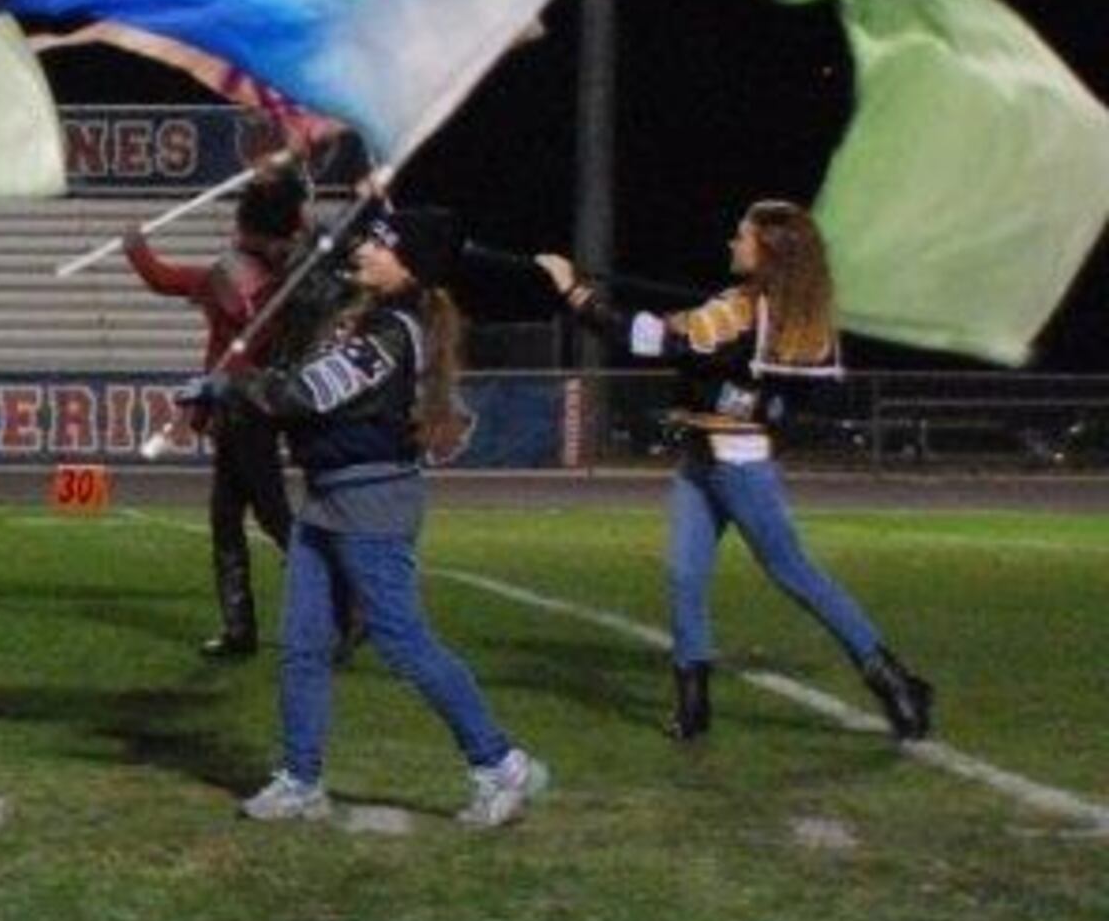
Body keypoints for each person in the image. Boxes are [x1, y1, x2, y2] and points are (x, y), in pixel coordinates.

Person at [200, 201, 548, 827]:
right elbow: (305, 331)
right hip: (328, 496)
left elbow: (309, 394)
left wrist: (235, 386)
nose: (363, 252)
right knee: (304, 646)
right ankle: (301, 780)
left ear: (408, 265)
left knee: (404, 643)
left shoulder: (393, 332)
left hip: (372, 501)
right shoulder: (365, 317)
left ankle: (502, 764)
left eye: (378, 247)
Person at [538, 201, 933, 743]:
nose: (732, 242)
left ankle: (895, 681)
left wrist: (573, 293)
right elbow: (694, 346)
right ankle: (693, 705)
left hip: (739, 465)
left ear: (767, 250)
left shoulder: (749, 312)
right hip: (699, 460)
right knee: (684, 577)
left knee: (795, 574)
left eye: (742, 236)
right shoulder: (760, 309)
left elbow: (653, 340)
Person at [121, 161, 311, 657]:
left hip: (241, 407)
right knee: (229, 519)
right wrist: (286, 188)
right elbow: (303, 228)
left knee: (273, 518)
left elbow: (163, 279)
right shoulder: (293, 277)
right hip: (249, 407)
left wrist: (134, 248)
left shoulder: (230, 277)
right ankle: (239, 628)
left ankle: (343, 608)